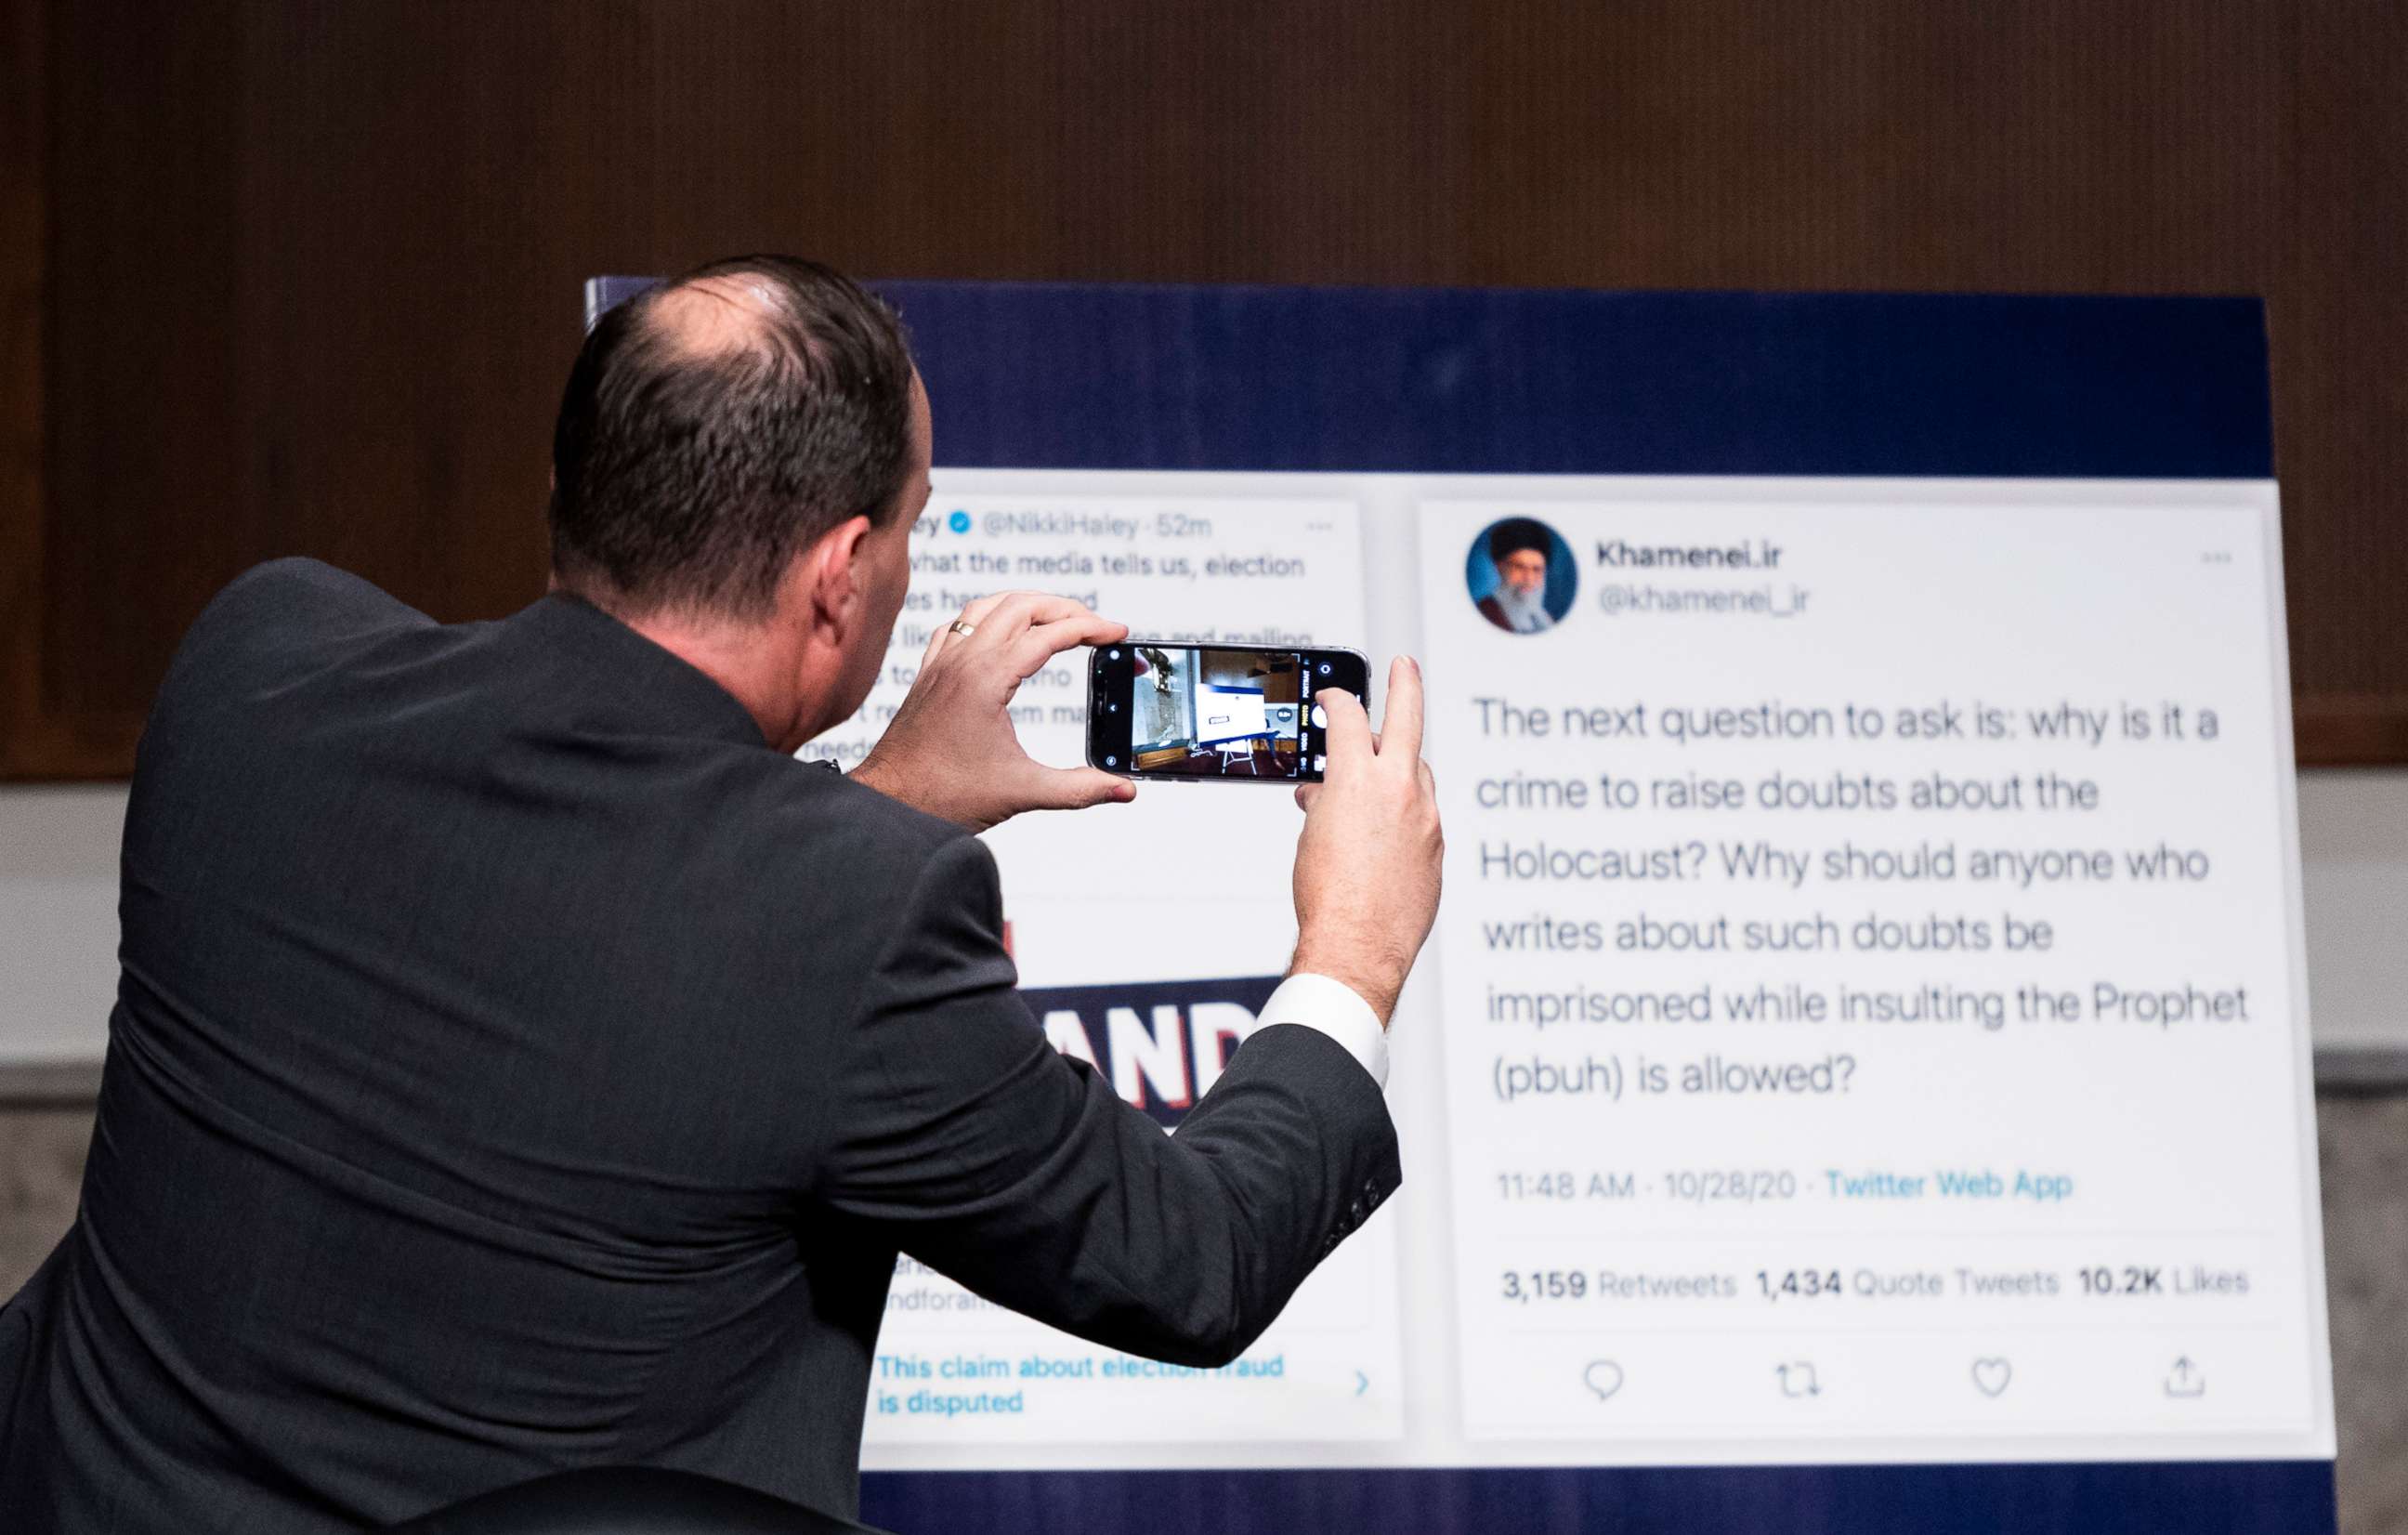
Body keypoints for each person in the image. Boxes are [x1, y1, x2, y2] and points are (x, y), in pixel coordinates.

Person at [0, 257, 1443, 1532]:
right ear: (839, 581)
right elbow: (1189, 1262)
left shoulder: (259, 673)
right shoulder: (864, 924)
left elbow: (578, 941)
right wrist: (1353, 948)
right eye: (913, 526)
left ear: (571, 490)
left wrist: (870, 804)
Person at [1474, 517, 1560, 633]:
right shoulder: (1484, 615)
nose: (1529, 579)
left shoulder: (1545, 619)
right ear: (1499, 567)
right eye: (1519, 567)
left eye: (1537, 569)